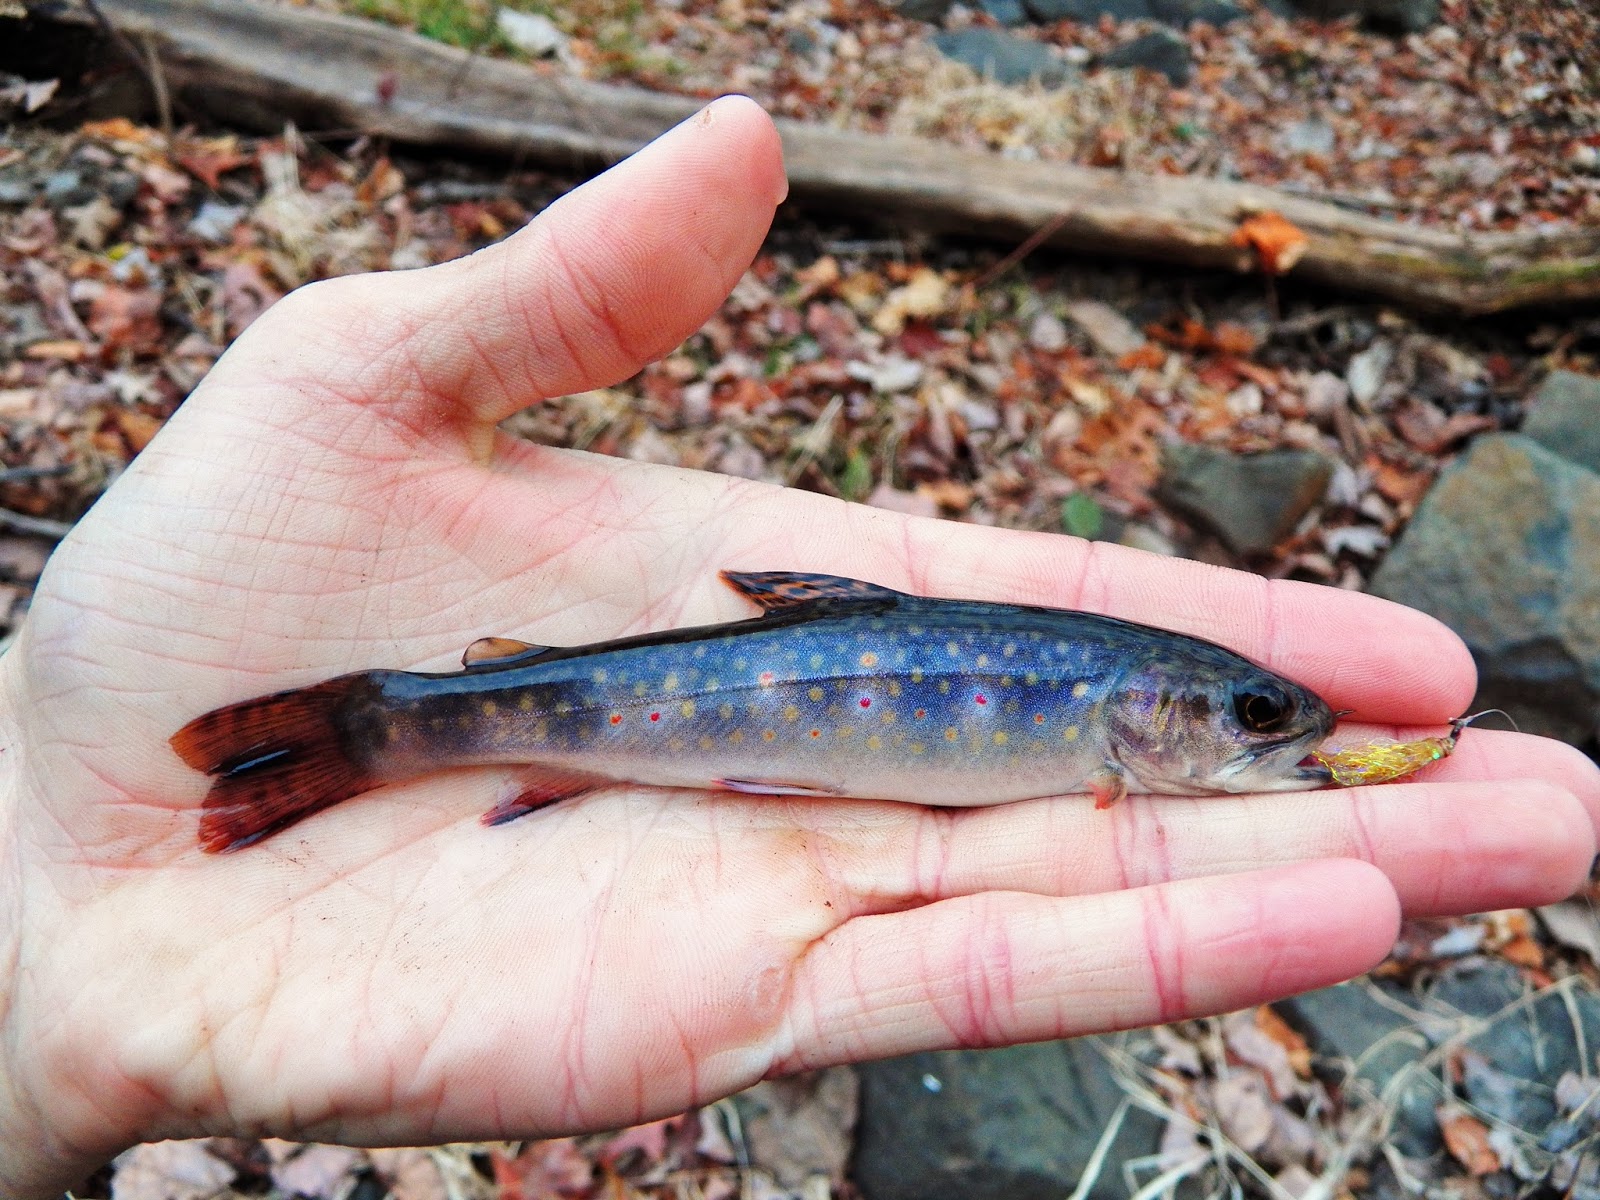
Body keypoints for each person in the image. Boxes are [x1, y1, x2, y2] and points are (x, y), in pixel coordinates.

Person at [0, 97, 1593, 1198]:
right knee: (437, 716)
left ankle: (389, 729)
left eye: (1252, 718)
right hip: (514, 713)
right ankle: (379, 729)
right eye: (1246, 715)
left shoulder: (1119, 707)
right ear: (1156, 709)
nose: (1264, 733)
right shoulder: (1107, 702)